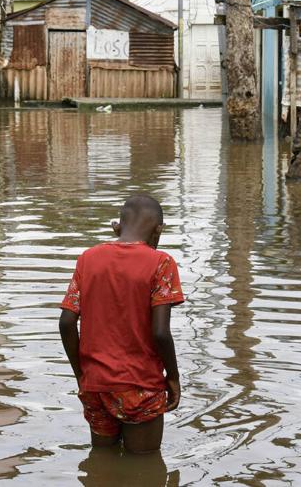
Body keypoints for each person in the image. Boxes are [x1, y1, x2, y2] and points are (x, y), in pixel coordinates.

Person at [59, 194, 184, 454]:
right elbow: (160, 333)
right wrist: (172, 378)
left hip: (95, 386)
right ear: (158, 229)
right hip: (140, 387)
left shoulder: (88, 259)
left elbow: (67, 323)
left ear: (117, 226)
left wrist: (81, 375)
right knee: (145, 468)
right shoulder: (161, 263)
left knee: (101, 464)